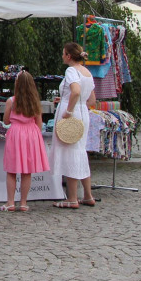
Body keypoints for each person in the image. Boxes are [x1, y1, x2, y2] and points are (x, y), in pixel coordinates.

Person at [51, 42, 97, 209]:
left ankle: (72, 198)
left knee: (70, 152)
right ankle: (87, 194)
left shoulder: (71, 70)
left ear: (69, 56)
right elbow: (91, 100)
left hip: (72, 113)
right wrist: (65, 98)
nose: (62, 56)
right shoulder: (87, 72)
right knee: (79, 152)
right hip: (83, 112)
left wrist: (68, 110)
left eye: (63, 53)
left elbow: (76, 91)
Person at [0, 71, 50, 212]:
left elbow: (6, 120)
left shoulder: (11, 101)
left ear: (17, 84)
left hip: (16, 133)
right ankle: (23, 203)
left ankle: (10, 202)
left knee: (12, 170)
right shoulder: (35, 102)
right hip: (31, 133)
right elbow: (39, 123)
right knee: (27, 171)